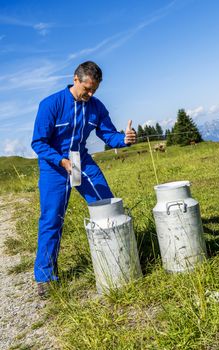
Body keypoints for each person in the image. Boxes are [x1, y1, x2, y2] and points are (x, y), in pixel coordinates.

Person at [31, 61, 136, 297]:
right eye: (87, 89)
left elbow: (109, 135)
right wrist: (61, 161)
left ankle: (120, 256)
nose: (89, 94)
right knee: (52, 219)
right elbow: (38, 142)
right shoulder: (51, 104)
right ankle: (45, 277)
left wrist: (125, 139)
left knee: (107, 205)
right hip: (54, 166)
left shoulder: (96, 107)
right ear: (75, 79)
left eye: (94, 90)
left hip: (81, 160)